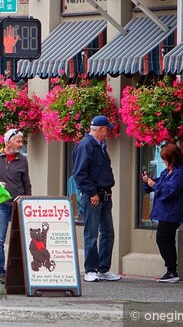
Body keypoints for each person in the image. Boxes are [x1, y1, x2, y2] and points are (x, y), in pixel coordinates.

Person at [72, 115, 121, 282]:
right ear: (99, 130)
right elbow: (79, 173)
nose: (108, 132)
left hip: (105, 194)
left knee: (108, 233)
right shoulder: (86, 146)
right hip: (94, 195)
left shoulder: (100, 145)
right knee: (91, 233)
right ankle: (90, 269)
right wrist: (91, 193)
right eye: (106, 129)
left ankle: (103, 268)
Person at [142, 143, 183, 283]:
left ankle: (171, 271)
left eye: (165, 159)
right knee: (167, 240)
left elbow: (166, 192)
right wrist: (148, 182)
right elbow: (157, 185)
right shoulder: (168, 172)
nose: (163, 161)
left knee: (163, 239)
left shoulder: (179, 174)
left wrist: (152, 184)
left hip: (172, 212)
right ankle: (171, 270)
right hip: (165, 212)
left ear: (172, 159)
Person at [0, 128, 32, 284]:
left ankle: (23, 273)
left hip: (18, 204)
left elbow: (26, 183)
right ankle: (0, 272)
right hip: (1, 203)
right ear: (8, 142)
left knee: (22, 239)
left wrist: (27, 201)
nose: (21, 144)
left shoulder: (22, 160)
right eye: (18, 141)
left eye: (21, 141)